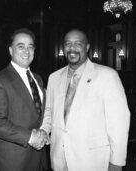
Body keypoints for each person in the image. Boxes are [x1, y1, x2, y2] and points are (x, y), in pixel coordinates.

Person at [40, 29, 130, 171]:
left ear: (87, 47)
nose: (72, 48)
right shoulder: (54, 77)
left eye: (78, 43)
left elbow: (118, 123)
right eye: (68, 43)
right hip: (59, 159)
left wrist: (116, 162)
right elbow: (49, 112)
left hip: (91, 161)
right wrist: (44, 130)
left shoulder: (107, 76)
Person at [0, 28, 49, 171]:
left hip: (39, 159)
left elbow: (40, 116)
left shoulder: (38, 79)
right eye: (21, 46)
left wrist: (44, 131)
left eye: (30, 47)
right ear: (10, 50)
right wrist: (30, 137)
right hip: (14, 161)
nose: (26, 51)